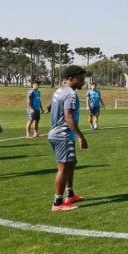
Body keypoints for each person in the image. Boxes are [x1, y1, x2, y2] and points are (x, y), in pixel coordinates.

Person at [47, 65, 88, 212]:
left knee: (71, 163)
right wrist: (81, 136)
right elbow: (68, 116)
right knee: (63, 168)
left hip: (58, 133)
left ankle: (69, 194)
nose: (83, 82)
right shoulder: (70, 94)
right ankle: (57, 203)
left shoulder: (59, 90)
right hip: (63, 135)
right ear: (71, 78)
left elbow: (49, 106)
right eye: (81, 79)